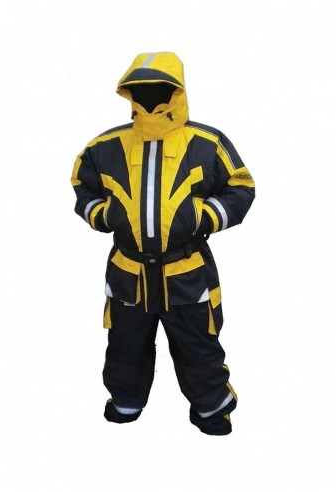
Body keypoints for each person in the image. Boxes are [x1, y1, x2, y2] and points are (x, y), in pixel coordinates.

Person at [71, 52, 255, 435]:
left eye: (160, 89)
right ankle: (125, 401)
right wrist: (103, 215)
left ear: (177, 91)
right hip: (129, 270)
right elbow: (82, 184)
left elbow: (241, 186)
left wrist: (203, 216)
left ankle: (212, 409)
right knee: (125, 346)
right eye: (140, 89)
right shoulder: (105, 145)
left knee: (197, 347)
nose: (149, 96)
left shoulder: (207, 142)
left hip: (186, 270)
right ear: (129, 93)